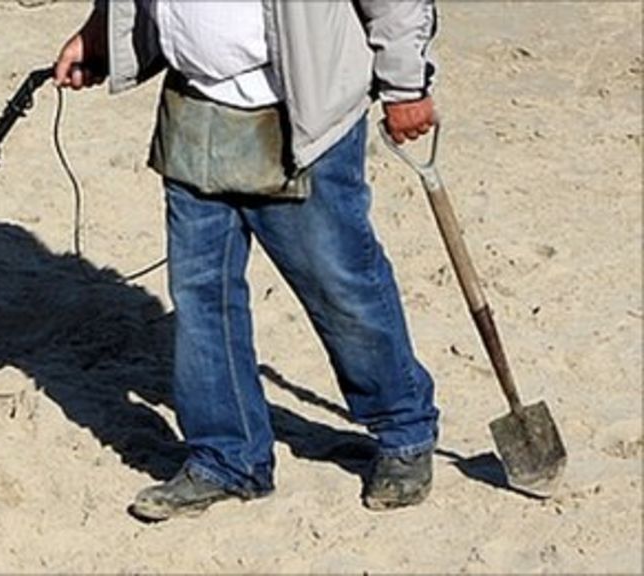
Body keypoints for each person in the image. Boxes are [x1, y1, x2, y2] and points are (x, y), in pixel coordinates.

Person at [54, 1, 441, 521]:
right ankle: (227, 458)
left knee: (339, 285)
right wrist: (98, 34)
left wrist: (406, 85)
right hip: (194, 107)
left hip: (303, 114)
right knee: (200, 297)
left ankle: (405, 434)